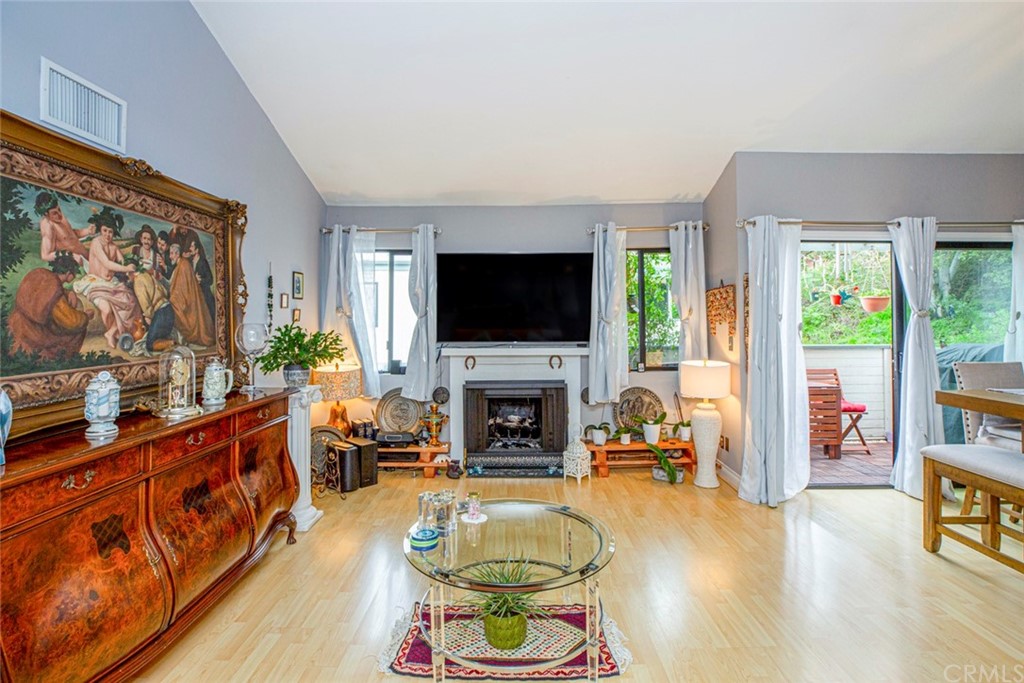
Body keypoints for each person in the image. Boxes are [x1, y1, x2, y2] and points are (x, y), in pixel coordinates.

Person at [73, 207, 142, 349]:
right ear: (100, 229)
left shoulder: (114, 247)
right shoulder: (96, 243)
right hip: (95, 282)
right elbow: (107, 263)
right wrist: (126, 269)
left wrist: (131, 269)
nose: (107, 235)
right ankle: (113, 333)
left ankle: (111, 333)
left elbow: (123, 262)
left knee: (131, 302)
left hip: (112, 284)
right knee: (106, 309)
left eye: (110, 232)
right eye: (105, 230)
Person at [8, 251, 94, 360]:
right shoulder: (54, 288)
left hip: (18, 326)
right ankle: (62, 360)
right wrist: (85, 316)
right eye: (74, 273)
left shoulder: (40, 274)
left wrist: (68, 293)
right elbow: (71, 321)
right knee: (78, 329)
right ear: (69, 273)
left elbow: (41, 295)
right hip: (35, 335)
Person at [168, 242, 214, 347]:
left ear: (176, 254)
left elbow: (185, 291)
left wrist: (174, 300)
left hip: (187, 303)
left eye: (171, 253)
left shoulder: (184, 265)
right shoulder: (181, 265)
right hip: (182, 299)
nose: (170, 256)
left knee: (170, 309)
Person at [36, 191, 94, 266]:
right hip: (75, 264)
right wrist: (71, 256)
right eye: (54, 213)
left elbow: (70, 235)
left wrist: (87, 231)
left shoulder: (59, 217)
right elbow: (45, 255)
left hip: (87, 258)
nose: (60, 214)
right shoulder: (48, 225)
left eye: (59, 209)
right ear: (46, 214)